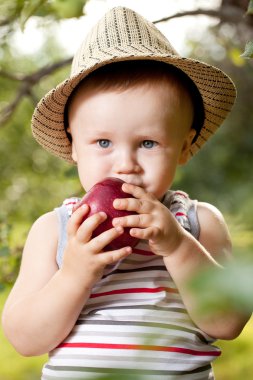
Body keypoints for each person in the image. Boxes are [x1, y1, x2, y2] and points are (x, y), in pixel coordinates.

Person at [2, 6, 250, 380]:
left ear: (184, 147)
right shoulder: (56, 230)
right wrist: (75, 274)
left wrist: (177, 245)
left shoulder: (198, 223)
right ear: (73, 146)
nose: (125, 164)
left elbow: (228, 322)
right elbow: (24, 339)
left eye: (148, 143)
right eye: (103, 141)